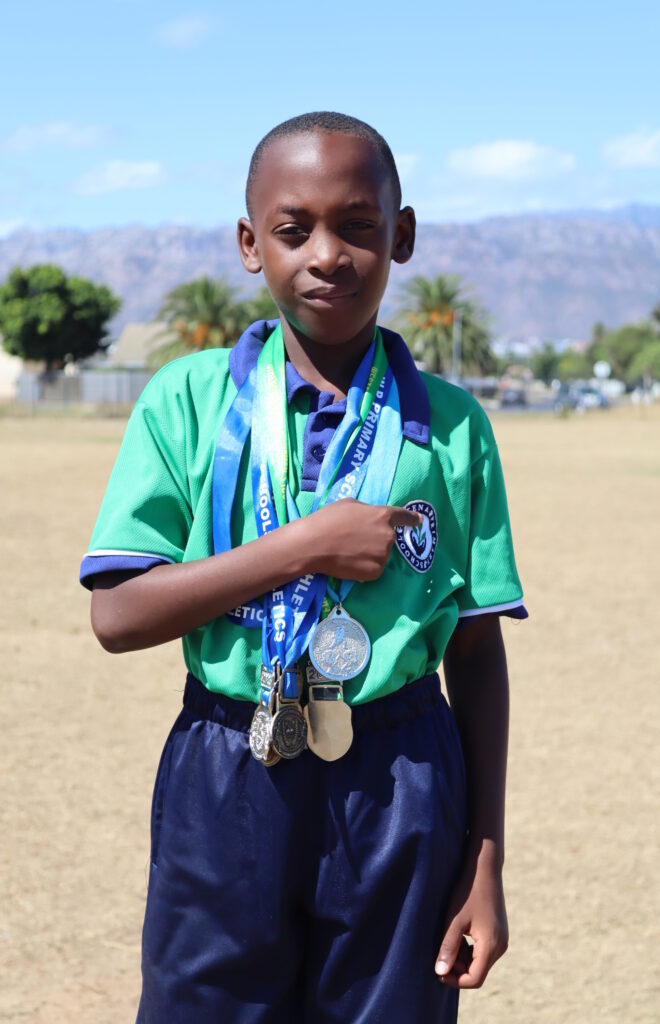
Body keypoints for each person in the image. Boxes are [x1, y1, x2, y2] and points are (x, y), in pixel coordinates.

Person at [80, 111, 527, 1023]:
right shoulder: (186, 402)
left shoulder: (451, 426)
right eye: (294, 230)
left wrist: (485, 859)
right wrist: (303, 546)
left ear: (401, 236)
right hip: (227, 765)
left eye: (359, 226)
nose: (327, 254)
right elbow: (119, 618)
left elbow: (475, 655)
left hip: (402, 775)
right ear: (251, 244)